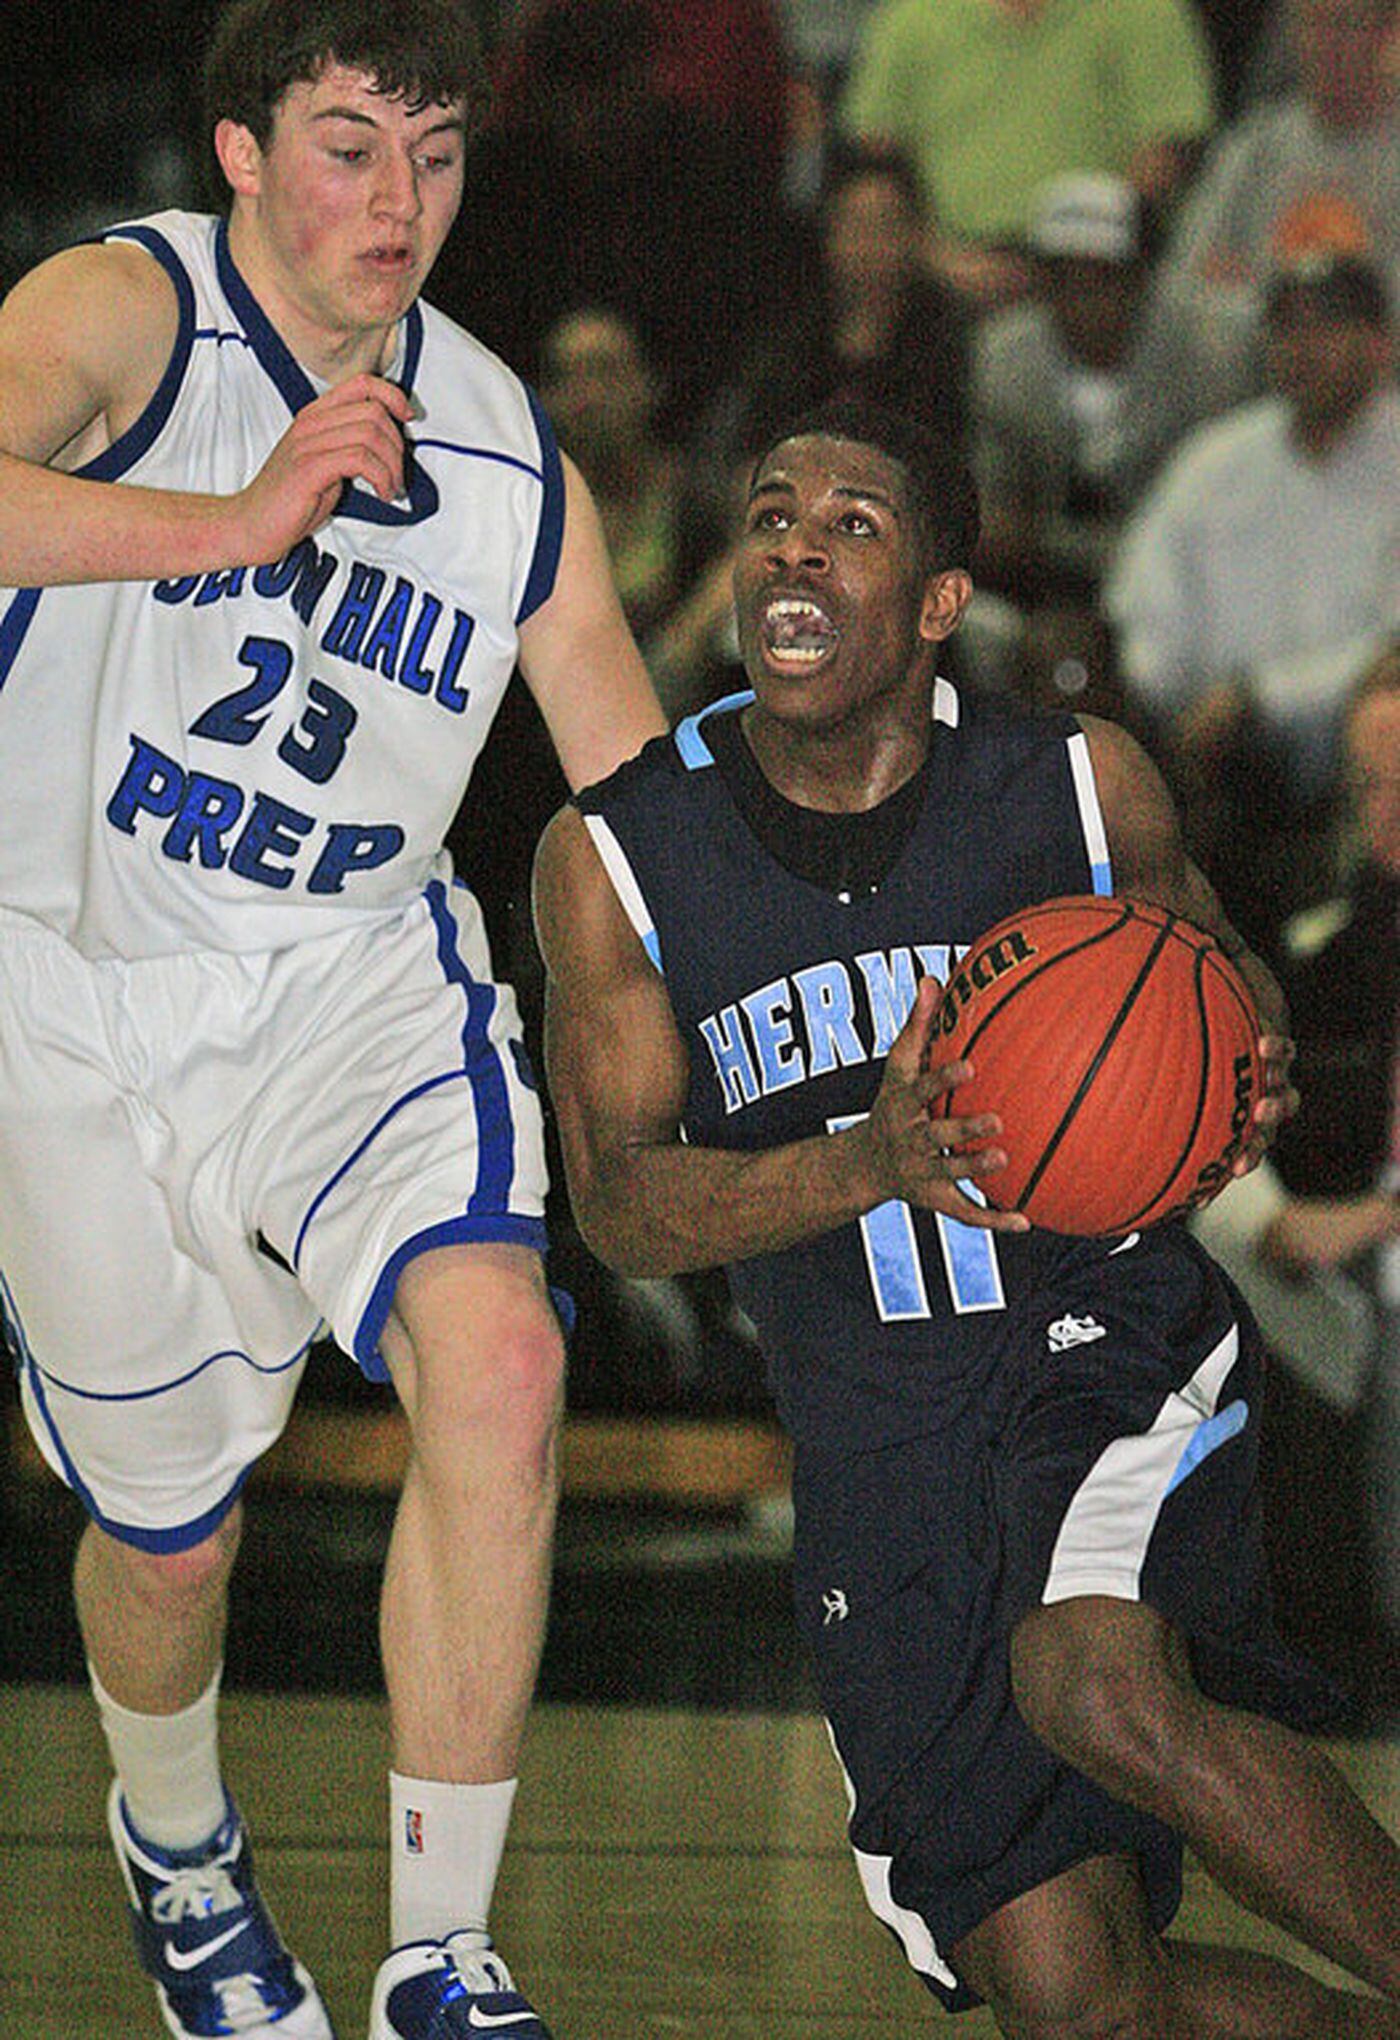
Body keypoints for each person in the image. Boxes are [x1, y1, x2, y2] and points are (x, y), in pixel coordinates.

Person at [532, 394, 1400, 2035]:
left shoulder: (1075, 783)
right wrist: (871, 1162)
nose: (795, 547)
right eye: (772, 515)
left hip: (1098, 1335)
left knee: (1096, 1686)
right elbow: (622, 1209)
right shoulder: (618, 856)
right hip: (876, 1440)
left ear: (938, 602)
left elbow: (1226, 980)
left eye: (850, 525)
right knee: (1077, 1995)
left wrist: (1250, 1060)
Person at [0, 2, 667, 2037]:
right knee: (165, 1550)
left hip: (351, 979)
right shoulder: (128, 311)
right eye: (351, 145)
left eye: (437, 155)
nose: (400, 202)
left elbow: (643, 806)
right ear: (239, 148)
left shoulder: (502, 453)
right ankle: (179, 1844)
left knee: (504, 1361)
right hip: (70, 991)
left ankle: (439, 1959)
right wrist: (239, 521)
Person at [1104, 247, 1400, 958]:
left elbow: (1393, 646)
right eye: (1288, 327)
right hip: (1214, 760)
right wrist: (1171, 716)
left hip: (1351, 757)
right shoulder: (1219, 457)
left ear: (1379, 343)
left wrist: (1257, 696)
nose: (1304, 347)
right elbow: (1144, 610)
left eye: (1328, 327)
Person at [838, 0, 1217, 314]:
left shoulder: (1145, 10)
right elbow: (873, 163)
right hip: (937, 277)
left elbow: (1166, 152)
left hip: (1098, 271)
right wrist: (938, 256)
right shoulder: (909, 19)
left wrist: (1070, 265)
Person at [971, 171, 1236, 613]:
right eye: (1062, 277)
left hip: (1186, 577)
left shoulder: (1207, 355)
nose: (1081, 295)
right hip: (1044, 586)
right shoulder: (1006, 358)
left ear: (1140, 278)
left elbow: (1223, 504)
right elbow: (995, 514)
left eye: (1101, 277)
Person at [1150, 0, 1400, 414]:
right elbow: (1182, 288)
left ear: (1389, 33)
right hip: (1252, 402)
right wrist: (1272, 321)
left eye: (1348, 24)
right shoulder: (1252, 149)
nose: (1329, 44)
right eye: (1314, 25)